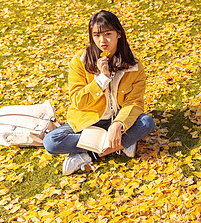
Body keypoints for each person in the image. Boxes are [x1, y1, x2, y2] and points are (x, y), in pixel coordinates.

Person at [43, 10, 155, 175]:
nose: (102, 40)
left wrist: (119, 124)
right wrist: (101, 79)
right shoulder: (79, 62)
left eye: (108, 34)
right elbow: (78, 101)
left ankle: (90, 154)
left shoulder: (134, 66)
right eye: (96, 35)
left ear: (119, 34)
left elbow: (134, 102)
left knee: (147, 123)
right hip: (88, 123)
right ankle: (122, 144)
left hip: (118, 122)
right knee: (52, 142)